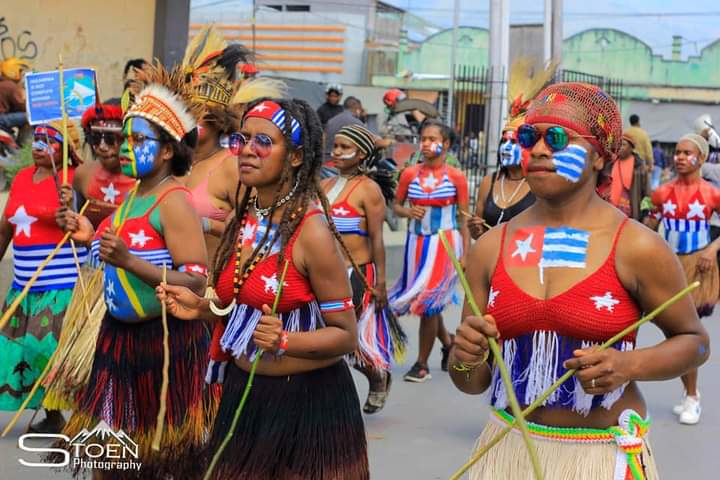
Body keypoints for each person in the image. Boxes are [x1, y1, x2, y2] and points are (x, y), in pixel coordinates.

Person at [450, 82, 709, 479]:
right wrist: (465, 359)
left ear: (599, 158)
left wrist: (629, 364)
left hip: (600, 457)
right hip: (508, 450)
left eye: (557, 138)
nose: (538, 150)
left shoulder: (637, 247)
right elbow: (472, 383)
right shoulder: (490, 247)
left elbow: (694, 343)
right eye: (527, 137)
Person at [157, 98, 369, 479]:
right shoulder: (245, 216)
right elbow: (233, 300)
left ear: (295, 157)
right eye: (243, 139)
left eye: (264, 142)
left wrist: (286, 341)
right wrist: (201, 306)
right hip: (244, 397)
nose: (247, 151)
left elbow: (346, 336)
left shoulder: (313, 231)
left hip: (307, 408)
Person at [52, 65, 216, 479]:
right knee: (112, 458)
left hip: (162, 344)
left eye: (137, 139)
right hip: (118, 341)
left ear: (166, 150)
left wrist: (131, 262)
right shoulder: (133, 197)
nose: (124, 147)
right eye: (125, 138)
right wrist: (88, 234)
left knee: (165, 460)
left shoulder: (173, 201)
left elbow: (196, 279)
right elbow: (114, 251)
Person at [0, 121, 84, 433]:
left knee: (47, 350)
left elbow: (89, 222)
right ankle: (51, 416)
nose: (39, 146)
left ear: (67, 150)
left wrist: (71, 204)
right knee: (18, 348)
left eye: (50, 141)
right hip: (23, 283)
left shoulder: (73, 180)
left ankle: (75, 415)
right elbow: (5, 226)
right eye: (37, 139)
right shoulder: (22, 177)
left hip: (60, 284)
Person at [322, 124, 406, 413]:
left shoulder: (369, 190)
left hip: (356, 274)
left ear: (361, 154)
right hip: (323, 275)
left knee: (346, 341)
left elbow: (377, 240)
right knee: (321, 338)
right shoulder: (324, 186)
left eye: (345, 147)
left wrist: (380, 282)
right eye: (335, 146)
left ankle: (377, 376)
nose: (336, 152)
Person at [644, 133, 719, 426]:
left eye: (687, 153)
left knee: (687, 331)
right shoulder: (661, 192)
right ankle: (689, 392)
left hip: (698, 265)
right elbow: (648, 229)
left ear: (700, 158)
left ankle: (692, 397)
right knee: (673, 331)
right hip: (669, 264)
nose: (680, 157)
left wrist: (713, 248)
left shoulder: (712, 194)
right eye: (677, 152)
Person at [390, 119, 470, 383]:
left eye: (431, 139)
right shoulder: (410, 174)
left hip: (445, 244)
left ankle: (421, 364)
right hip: (416, 244)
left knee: (428, 304)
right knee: (429, 305)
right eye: (423, 139)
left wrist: (466, 253)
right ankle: (449, 345)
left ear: (445, 144)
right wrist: (407, 211)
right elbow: (396, 206)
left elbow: (463, 218)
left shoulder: (456, 177)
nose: (425, 144)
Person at [180, 26, 248, 268]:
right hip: (163, 290)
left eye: (196, 114)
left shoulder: (232, 165)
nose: (188, 120)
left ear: (217, 120)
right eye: (185, 112)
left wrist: (207, 224)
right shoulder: (170, 162)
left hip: (211, 292)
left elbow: (251, 232)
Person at [56, 102, 136, 228]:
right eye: (96, 138)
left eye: (110, 139)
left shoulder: (145, 178)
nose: (102, 147)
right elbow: (77, 227)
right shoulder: (83, 173)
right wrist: (69, 214)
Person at [598, 132, 648, 220]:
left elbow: (647, 192)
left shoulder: (639, 166)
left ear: (631, 148)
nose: (620, 148)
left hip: (630, 214)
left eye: (624, 145)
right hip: (610, 210)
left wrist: (646, 214)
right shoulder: (610, 164)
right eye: (619, 144)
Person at [0, 57, 30, 134]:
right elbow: (22, 106)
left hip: (2, 117)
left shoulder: (3, 83)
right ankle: (23, 143)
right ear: (12, 71)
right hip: (2, 119)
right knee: (30, 116)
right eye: (20, 71)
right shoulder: (11, 86)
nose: (21, 73)